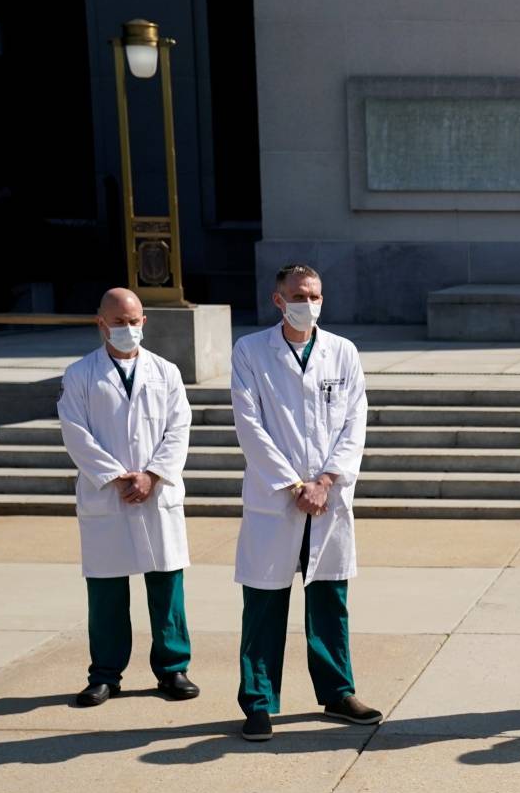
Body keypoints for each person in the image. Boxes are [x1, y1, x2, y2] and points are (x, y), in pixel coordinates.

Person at [230, 263, 378, 742]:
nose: (306, 303)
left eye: (313, 295)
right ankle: (257, 702)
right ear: (278, 300)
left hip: (329, 498)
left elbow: (355, 422)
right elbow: (249, 426)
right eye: (297, 295)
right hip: (277, 498)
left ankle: (338, 691)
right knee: (265, 601)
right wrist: (296, 485)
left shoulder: (343, 352)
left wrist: (327, 480)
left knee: (330, 599)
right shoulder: (251, 351)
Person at [57, 287, 198, 707]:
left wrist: (152, 475)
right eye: (118, 322)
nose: (128, 329)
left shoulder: (166, 372)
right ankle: (105, 674)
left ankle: (173, 669)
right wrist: (118, 477)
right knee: (106, 590)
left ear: (144, 322)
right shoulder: (80, 374)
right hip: (108, 495)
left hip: (156, 494)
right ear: (101, 323)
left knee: (166, 583)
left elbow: (179, 429)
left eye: (134, 321)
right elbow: (75, 433)